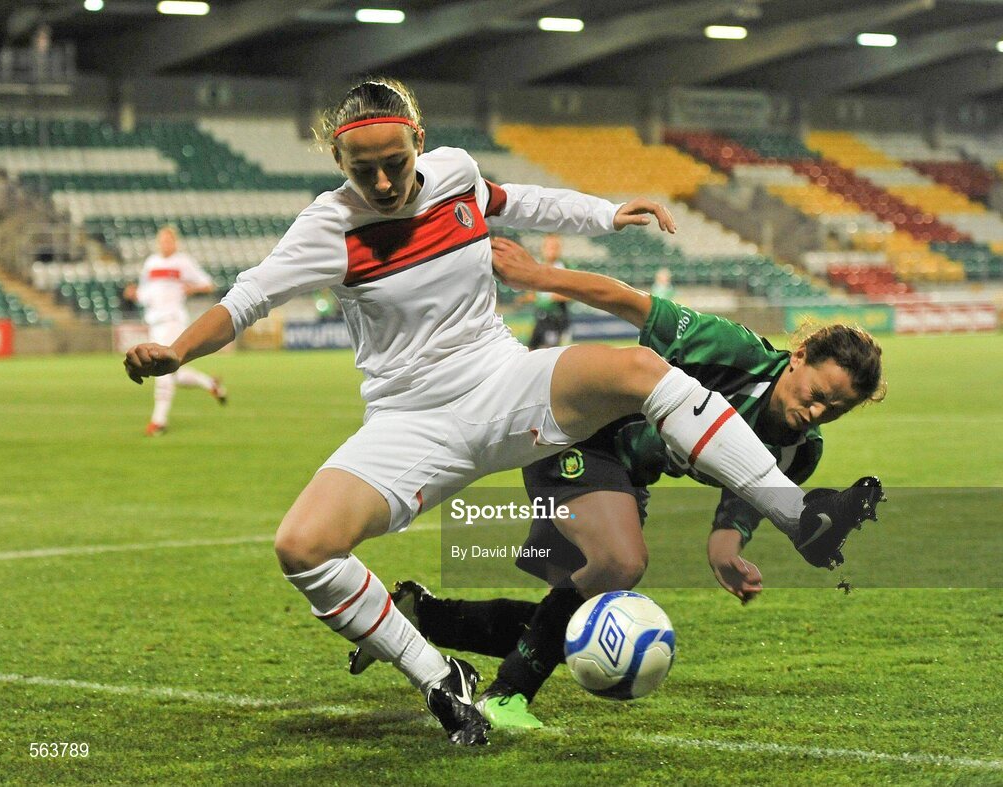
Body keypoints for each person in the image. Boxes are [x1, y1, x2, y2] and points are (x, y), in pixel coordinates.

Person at [123, 78, 873, 746]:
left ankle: (796, 512)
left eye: (396, 162)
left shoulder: (455, 173)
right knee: (302, 545)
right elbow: (245, 299)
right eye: (364, 170)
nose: (384, 180)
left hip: (507, 381)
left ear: (419, 140)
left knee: (643, 369)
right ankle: (439, 678)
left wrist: (607, 213)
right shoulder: (328, 228)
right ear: (340, 166)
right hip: (408, 422)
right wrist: (179, 350)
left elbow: (521, 201)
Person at [350, 238, 885, 728]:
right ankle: (506, 696)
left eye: (835, 410)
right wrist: (539, 275)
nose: (816, 411)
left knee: (565, 619)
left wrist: (728, 555)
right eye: (817, 392)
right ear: (798, 358)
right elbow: (630, 302)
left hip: (624, 476)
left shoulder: (798, 452)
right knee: (621, 563)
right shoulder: (733, 351)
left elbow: (733, 521)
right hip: (575, 430)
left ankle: (414, 618)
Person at [123, 226, 227, 436]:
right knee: (173, 372)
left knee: (160, 366)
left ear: (175, 242)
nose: (165, 244)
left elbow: (208, 284)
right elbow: (146, 292)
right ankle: (211, 384)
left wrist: (192, 288)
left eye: (169, 240)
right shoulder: (151, 263)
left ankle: (158, 421)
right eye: (162, 240)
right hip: (155, 321)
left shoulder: (183, 262)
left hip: (172, 320)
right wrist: (135, 294)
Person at [526, 234, 570, 350]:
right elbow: (532, 292)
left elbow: (571, 294)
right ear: (543, 248)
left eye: (555, 247)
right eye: (549, 247)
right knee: (530, 349)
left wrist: (555, 297)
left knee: (550, 351)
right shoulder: (538, 267)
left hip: (556, 318)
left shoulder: (564, 267)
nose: (552, 250)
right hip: (540, 318)